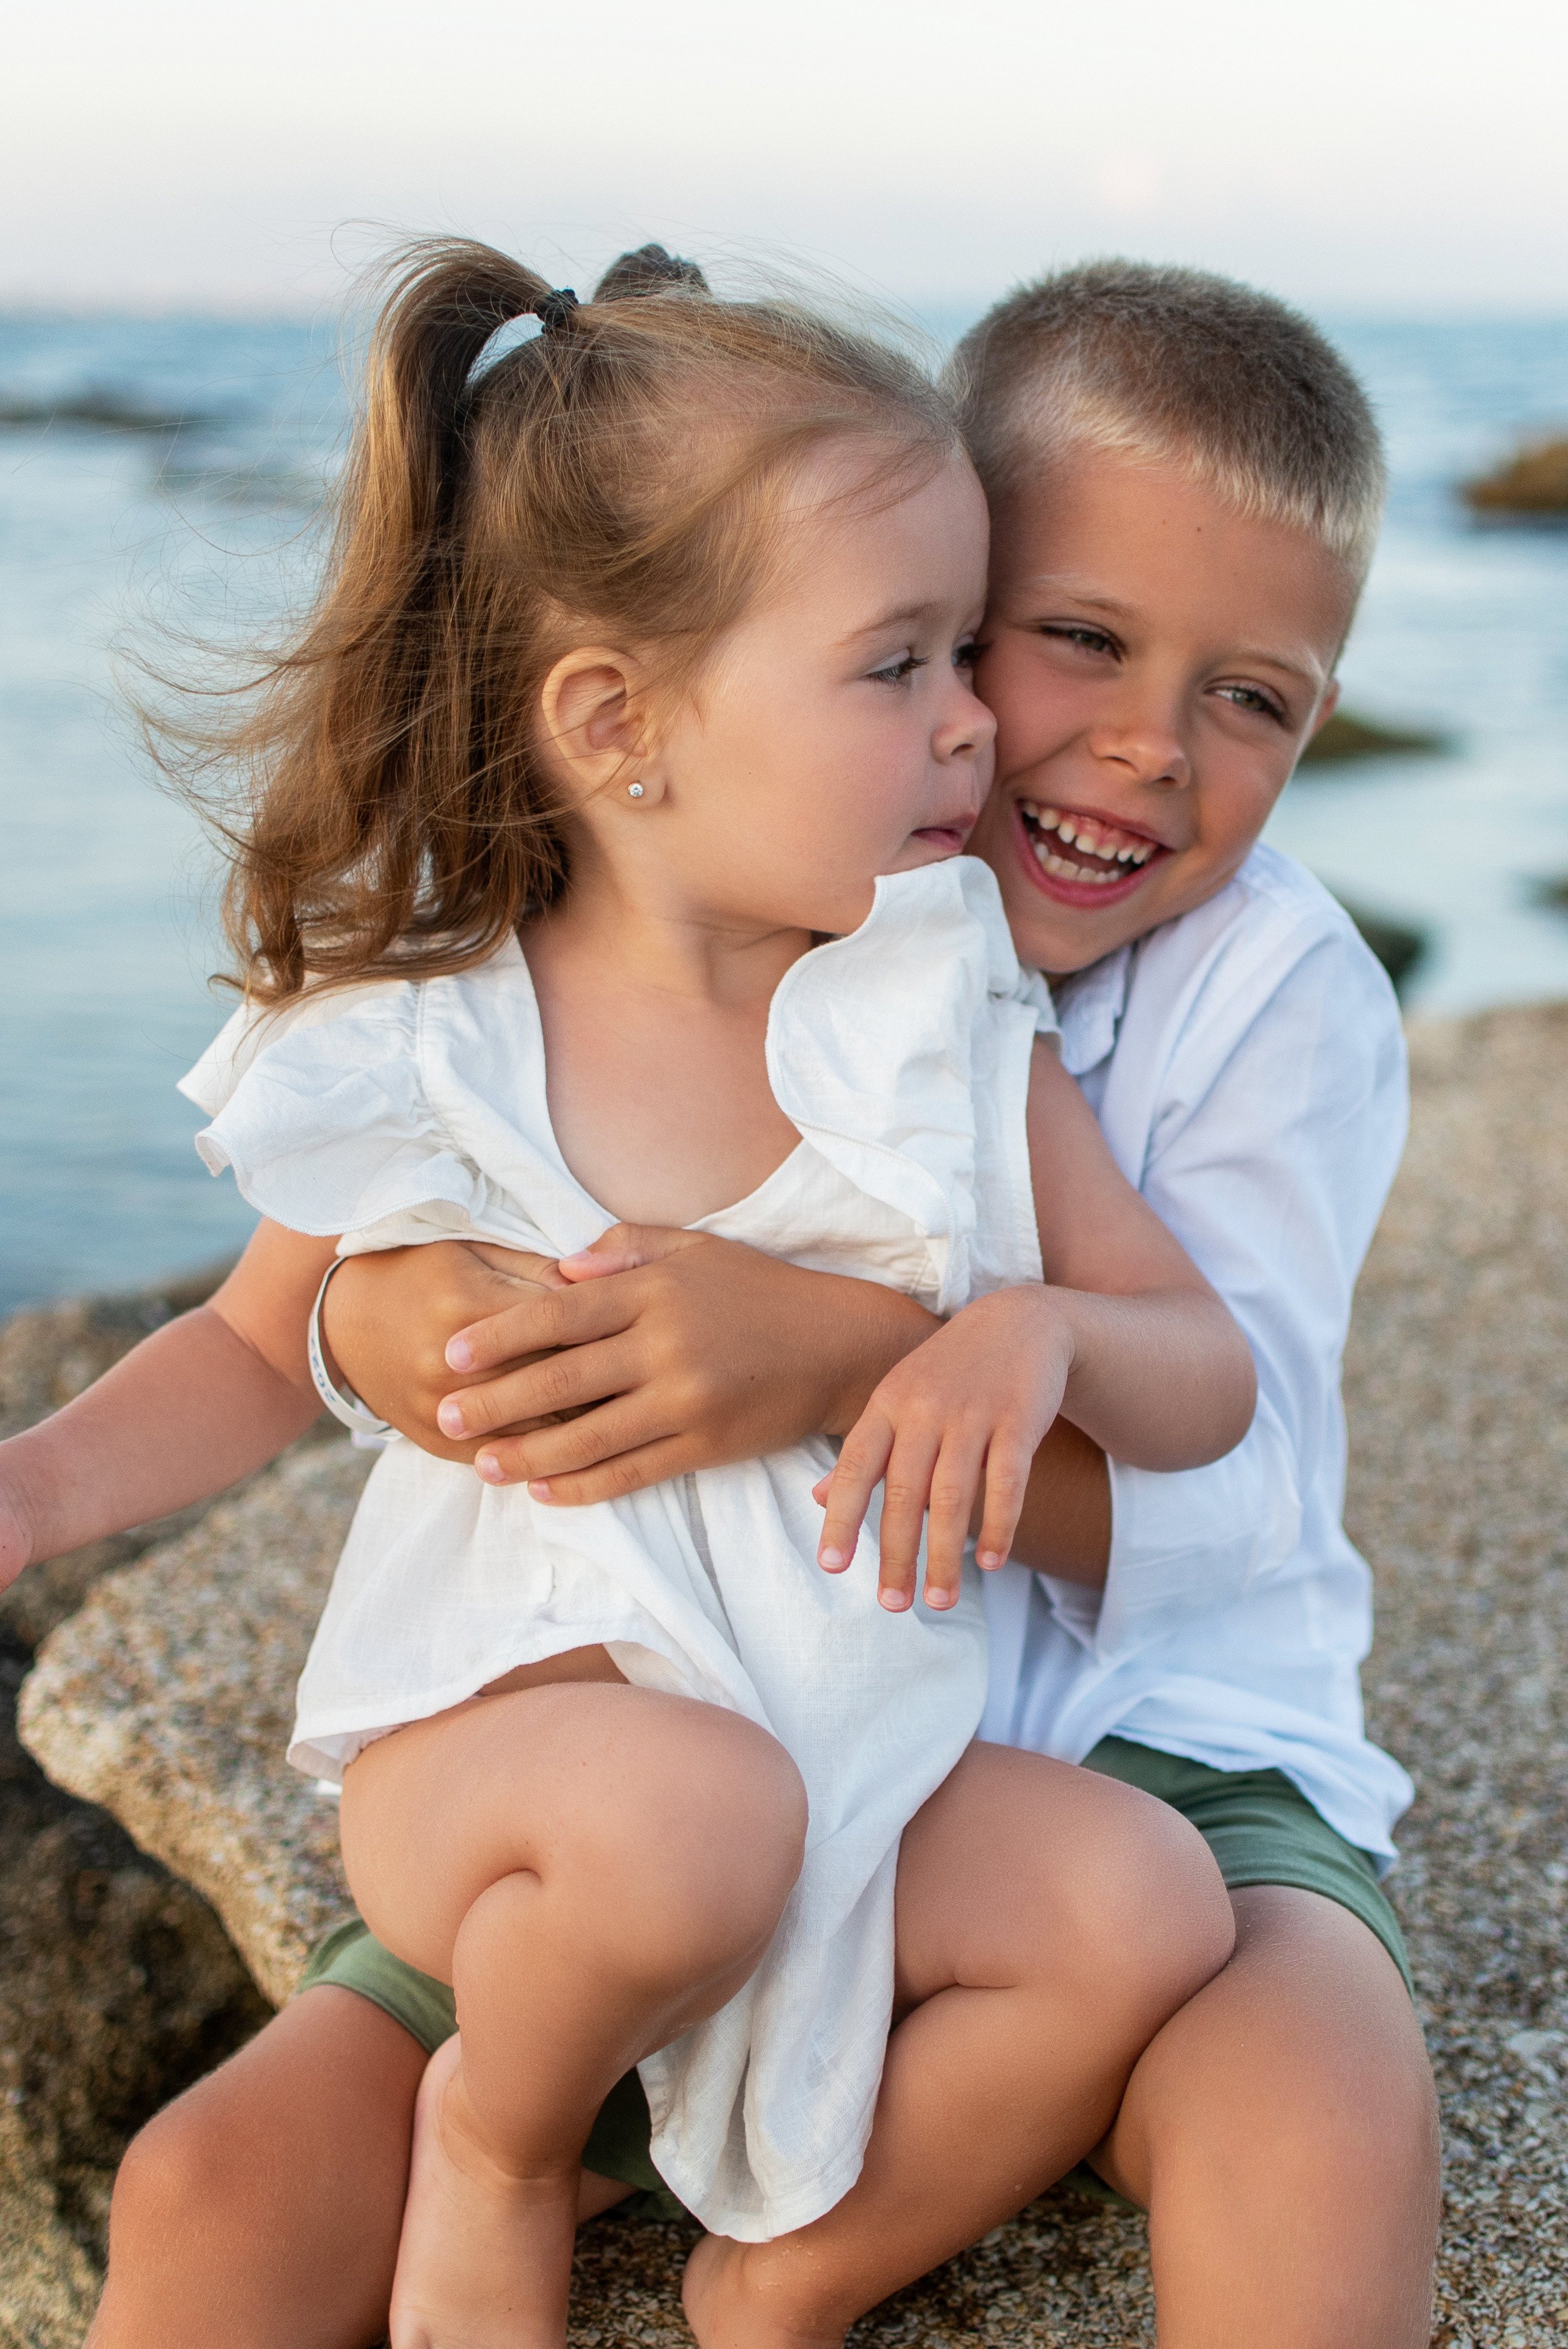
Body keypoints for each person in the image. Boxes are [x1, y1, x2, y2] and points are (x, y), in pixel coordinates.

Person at [0, 243, 1250, 2349]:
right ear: (618, 724)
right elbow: (249, 1347)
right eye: (897, 666)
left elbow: (1200, 1379)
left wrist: (1035, 1333)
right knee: (691, 1817)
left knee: (1141, 1904)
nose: (976, 721)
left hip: (858, 1762)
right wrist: (31, 1497)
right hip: (529, 1787)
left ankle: (785, 2282)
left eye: (967, 648)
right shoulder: (435, 1032)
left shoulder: (949, 1017)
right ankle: (496, 2139)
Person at [279, 262, 1446, 2347]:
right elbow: (355, 1284)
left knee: (1318, 2114)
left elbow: (1228, 1490)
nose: (1138, 747)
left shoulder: (1277, 1000)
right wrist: (395, 1323)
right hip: (737, 1733)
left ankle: (780, 2284)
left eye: (1256, 699)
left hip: (1162, 1729)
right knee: (233, 2177)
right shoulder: (733, 906)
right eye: (1068, 637)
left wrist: (839, 1359)